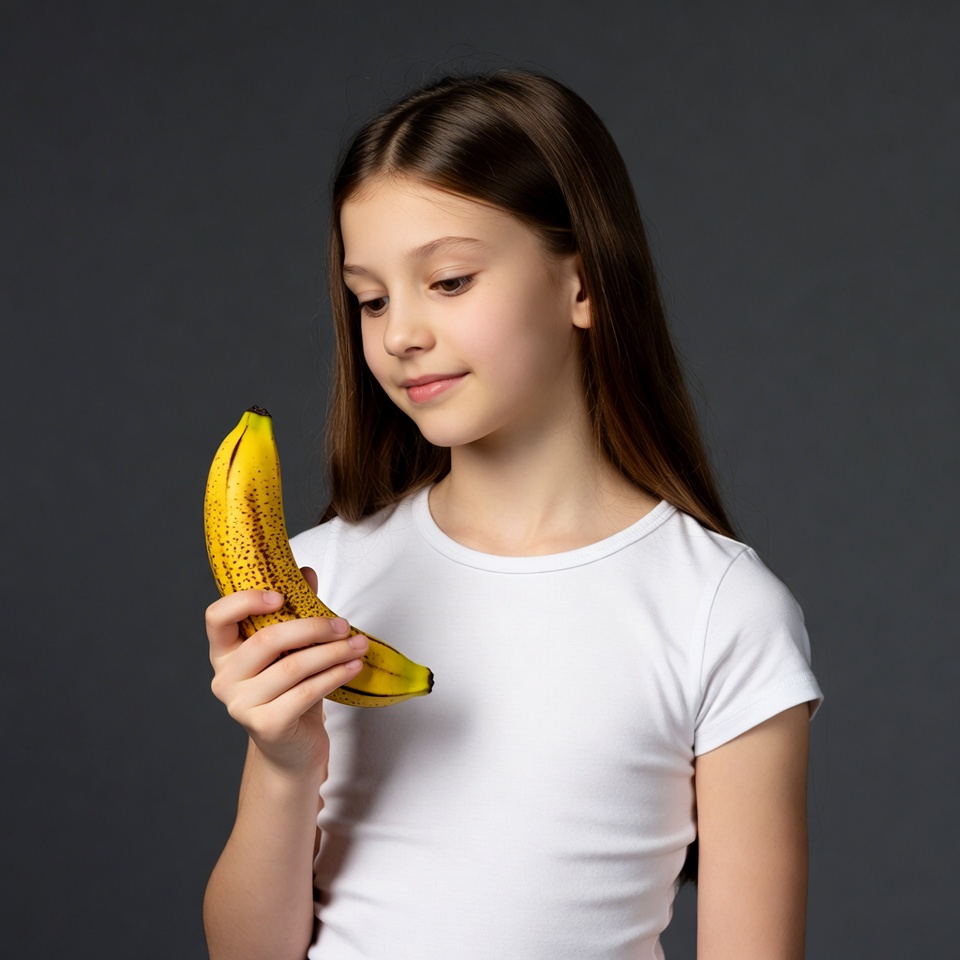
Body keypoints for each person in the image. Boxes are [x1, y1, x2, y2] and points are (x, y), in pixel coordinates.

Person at [202, 70, 822, 960]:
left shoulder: (720, 608)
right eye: (371, 298)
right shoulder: (319, 580)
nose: (400, 333)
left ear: (583, 284)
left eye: (449, 281)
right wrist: (283, 761)